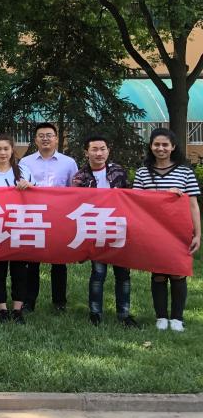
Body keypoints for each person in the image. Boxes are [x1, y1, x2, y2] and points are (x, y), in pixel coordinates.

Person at [132, 127, 201, 332]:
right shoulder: (143, 172)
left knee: (178, 272)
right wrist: (163, 194)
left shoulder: (185, 171)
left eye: (165, 145)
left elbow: (193, 204)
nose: (160, 148)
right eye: (156, 144)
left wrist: (198, 234)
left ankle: (177, 318)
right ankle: (161, 317)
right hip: (153, 231)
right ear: (151, 146)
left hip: (180, 230)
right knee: (159, 274)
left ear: (173, 147)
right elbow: (137, 201)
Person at [72, 135, 137, 328]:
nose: (99, 153)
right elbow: (74, 204)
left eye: (103, 149)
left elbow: (130, 197)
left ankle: (124, 314)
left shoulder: (118, 172)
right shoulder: (80, 177)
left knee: (123, 274)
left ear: (108, 151)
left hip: (118, 228)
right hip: (96, 229)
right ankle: (95, 313)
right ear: (86, 153)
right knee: (98, 273)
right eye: (94, 149)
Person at [19, 122, 78, 312]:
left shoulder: (69, 162)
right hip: (34, 216)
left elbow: (75, 190)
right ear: (35, 139)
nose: (45, 139)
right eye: (41, 136)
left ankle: (59, 302)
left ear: (56, 138)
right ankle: (29, 301)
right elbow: (20, 188)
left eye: (49, 135)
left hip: (59, 217)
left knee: (59, 261)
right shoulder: (25, 162)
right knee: (32, 261)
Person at [0, 134, 34, 324]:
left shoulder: (24, 171)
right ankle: (2, 309)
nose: (2, 152)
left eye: (6, 149)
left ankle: (18, 309)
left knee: (20, 271)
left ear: (12, 150)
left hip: (21, 227)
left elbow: (38, 197)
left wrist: (29, 186)